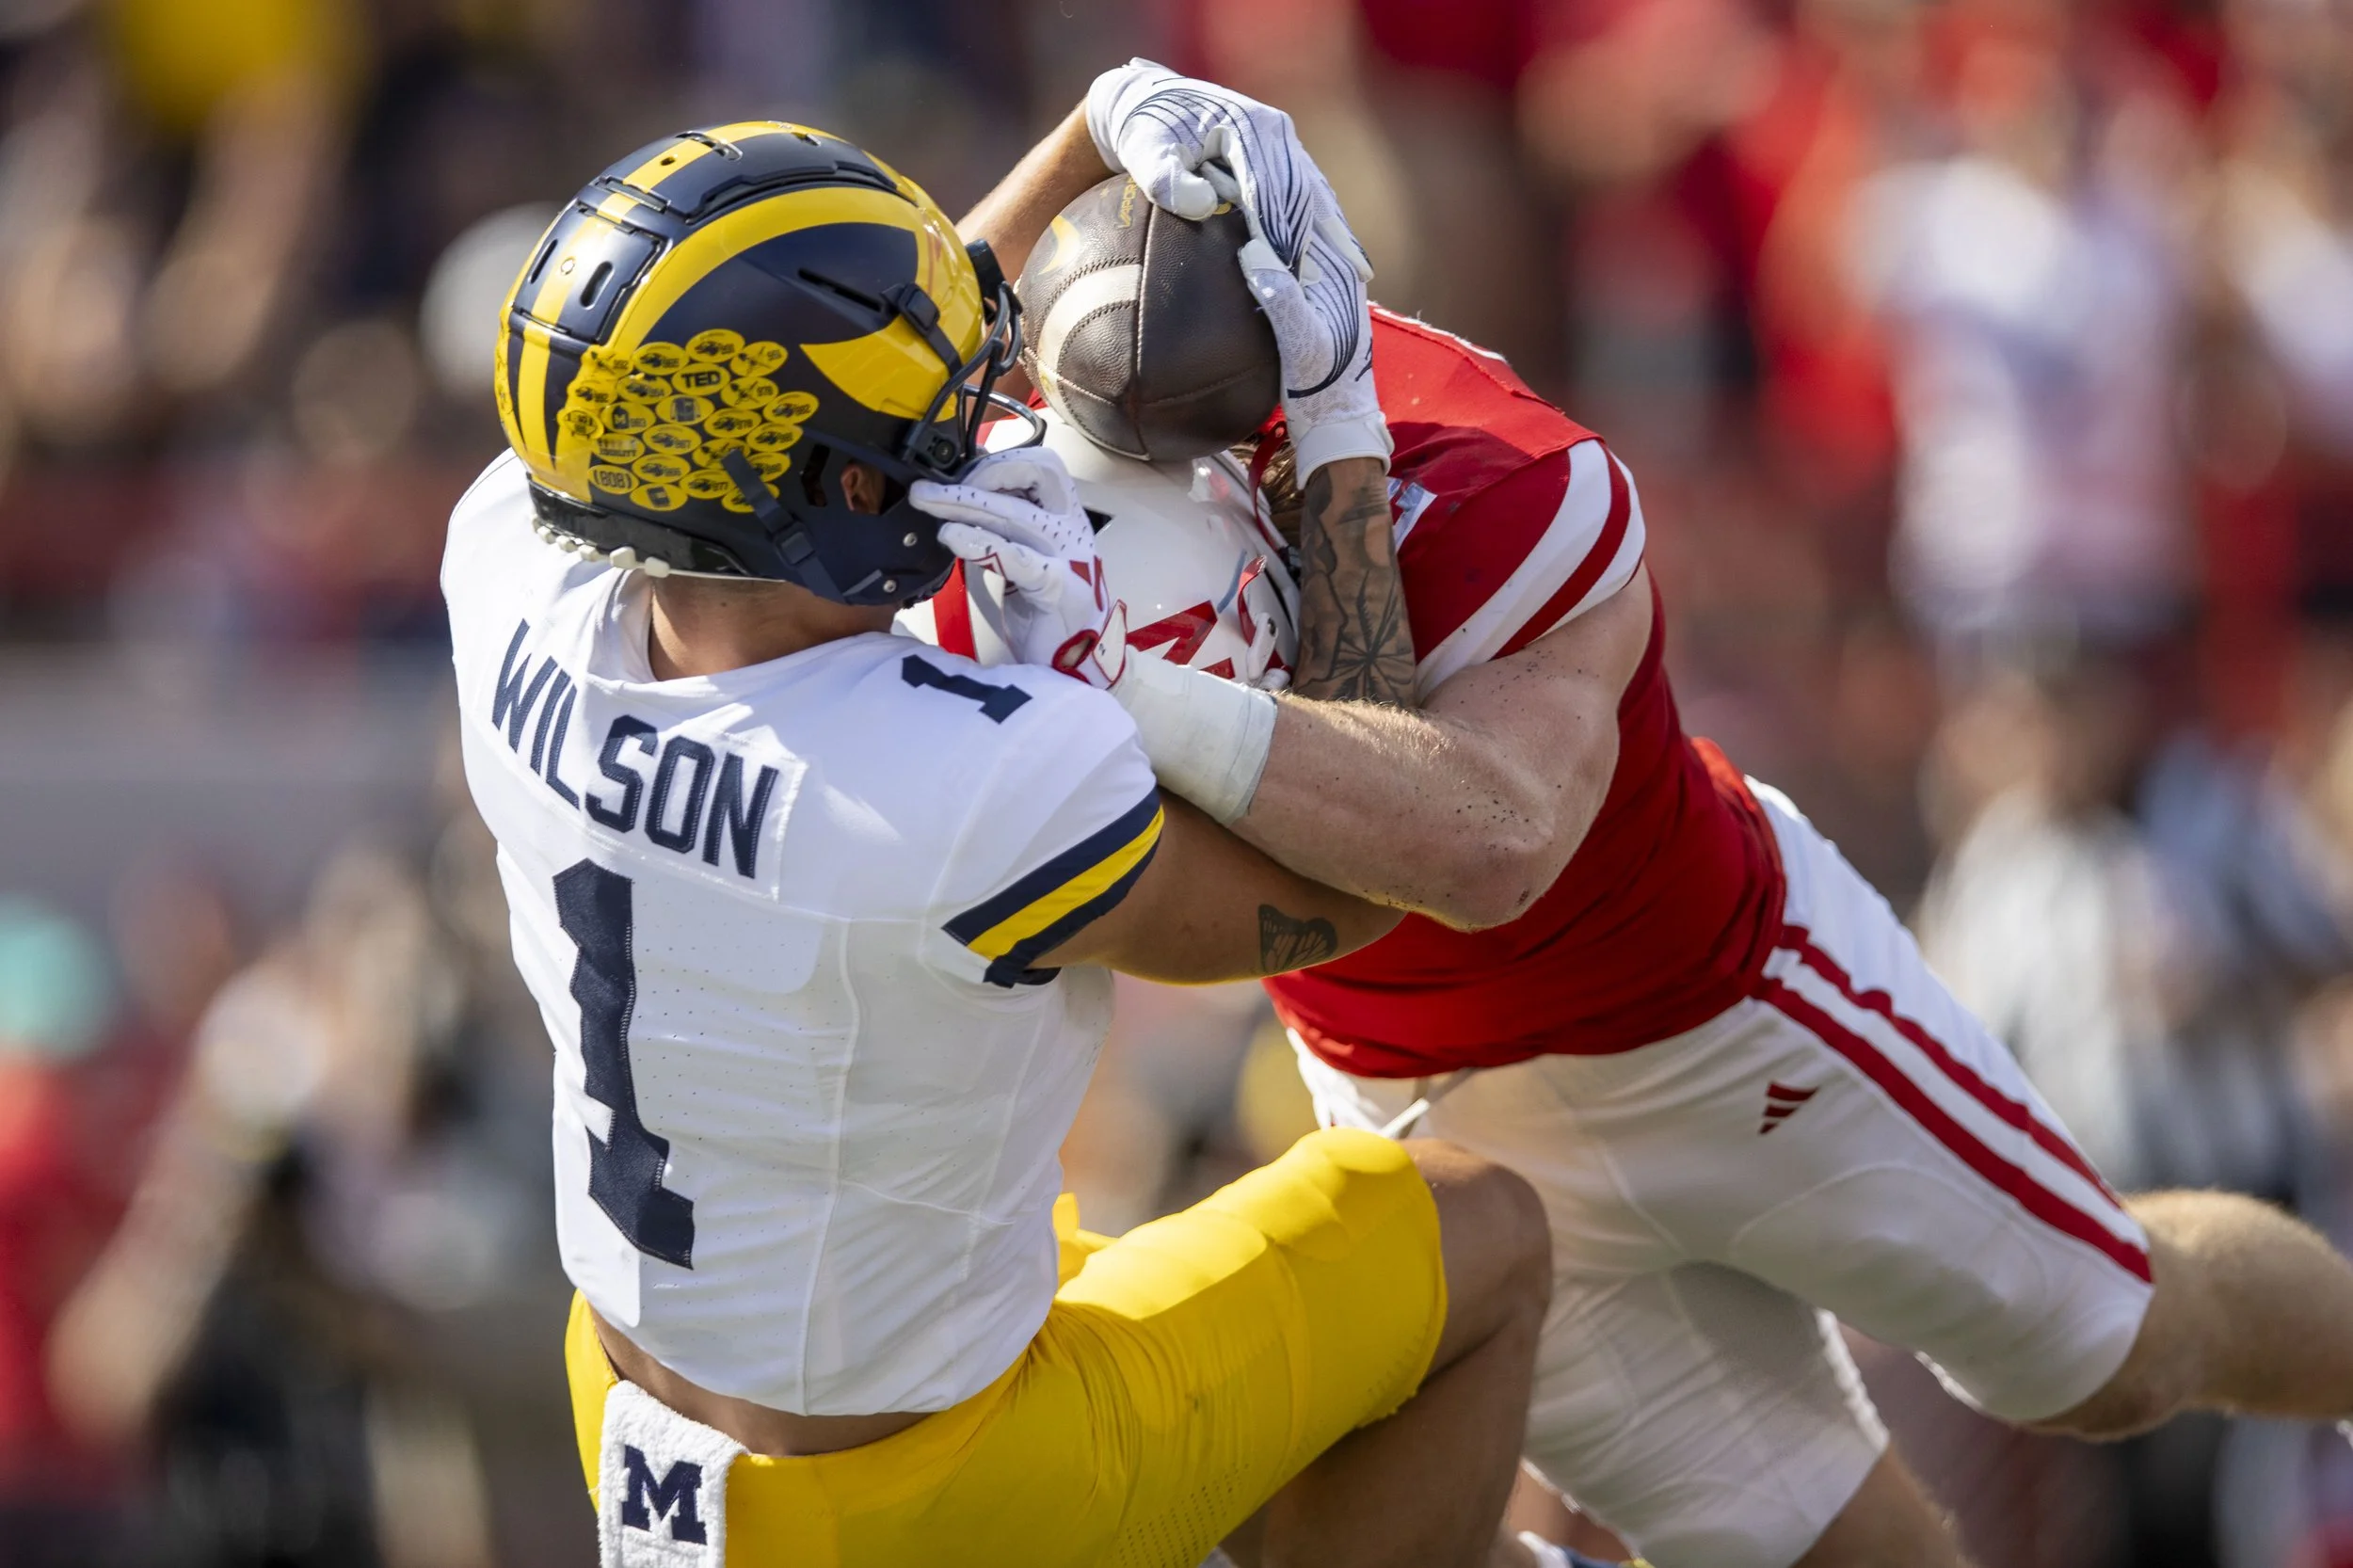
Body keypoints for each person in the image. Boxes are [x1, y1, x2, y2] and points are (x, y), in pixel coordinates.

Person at [935, 62, 2353, 1568]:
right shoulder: (1023, 522)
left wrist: (1129, 701)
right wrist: (1091, 127)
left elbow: (1485, 845)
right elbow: (885, 364)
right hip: (1437, 1108)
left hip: (1723, 1019)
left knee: (2104, 1348)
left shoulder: (1502, 488)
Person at [444, 119, 1557, 1568]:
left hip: (642, 1416)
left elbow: (771, 420)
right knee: (1477, 1230)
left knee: (1071, 1246)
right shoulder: (978, 776)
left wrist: (1088, 134)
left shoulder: (510, 570)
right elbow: (1366, 882)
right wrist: (1333, 441)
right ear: (843, 490)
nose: (979, 424)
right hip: (938, 1494)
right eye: (936, 417)